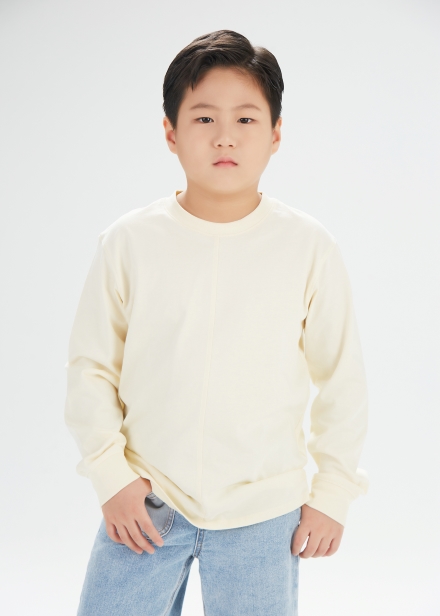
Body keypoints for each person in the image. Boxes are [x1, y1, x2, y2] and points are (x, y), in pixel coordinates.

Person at [64, 29, 369, 616]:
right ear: (171, 133)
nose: (225, 136)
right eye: (204, 118)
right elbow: (91, 369)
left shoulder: (308, 247)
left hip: (264, 511)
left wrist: (333, 492)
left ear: (275, 134)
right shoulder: (129, 242)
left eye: (246, 119)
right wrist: (111, 478)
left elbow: (342, 380)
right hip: (146, 500)